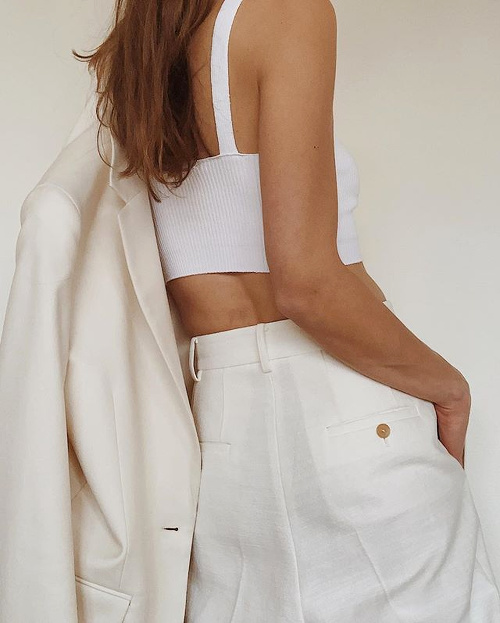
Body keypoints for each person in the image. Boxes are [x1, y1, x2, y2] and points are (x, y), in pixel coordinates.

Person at [74, 0, 500, 619]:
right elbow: (307, 285)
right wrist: (448, 388)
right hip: (346, 411)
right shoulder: (288, 12)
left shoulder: (146, 46)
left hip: (225, 435)